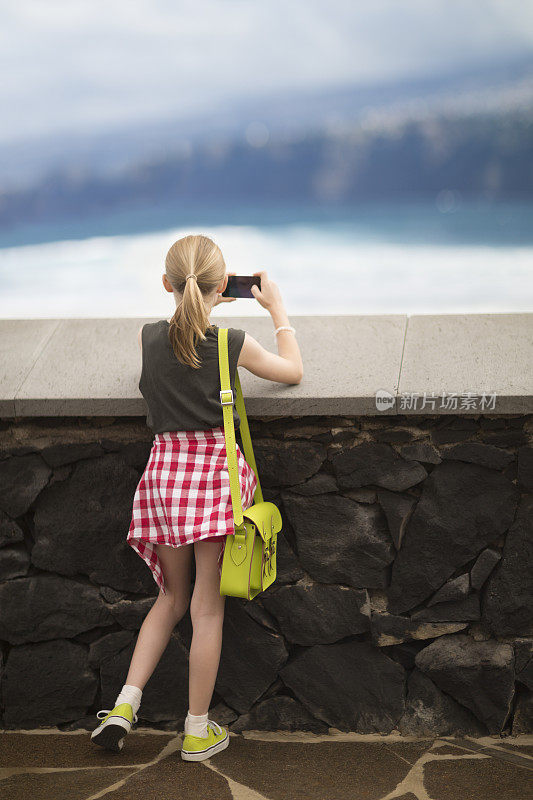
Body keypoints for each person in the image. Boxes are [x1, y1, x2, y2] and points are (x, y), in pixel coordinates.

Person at [90, 233, 303, 761]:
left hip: (165, 481)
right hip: (213, 485)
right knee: (207, 611)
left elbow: (181, 335)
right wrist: (277, 310)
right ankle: (197, 728)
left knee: (170, 598)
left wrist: (199, 300)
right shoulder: (231, 342)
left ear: (167, 285)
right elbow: (293, 372)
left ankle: (123, 707)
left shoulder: (148, 338)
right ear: (220, 286)